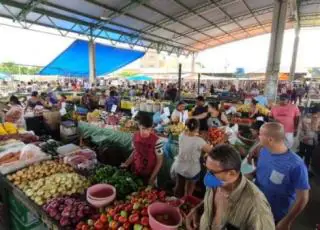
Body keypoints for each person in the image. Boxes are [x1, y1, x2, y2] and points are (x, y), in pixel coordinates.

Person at [188, 144, 275, 230]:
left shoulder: (257, 209)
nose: (207, 175)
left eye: (212, 172)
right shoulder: (216, 183)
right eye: (207, 168)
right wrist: (197, 209)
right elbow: (210, 200)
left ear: (231, 173)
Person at [248, 122, 309, 227]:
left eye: (260, 134)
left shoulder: (296, 165)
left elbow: (303, 198)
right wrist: (249, 175)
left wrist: (286, 221)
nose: (258, 137)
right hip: (258, 206)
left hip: (276, 215)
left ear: (270, 140)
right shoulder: (264, 151)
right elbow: (260, 170)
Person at [120, 114, 163, 185]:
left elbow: (160, 161)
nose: (145, 132)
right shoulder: (135, 136)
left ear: (151, 128)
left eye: (148, 129)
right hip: (136, 172)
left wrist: (152, 178)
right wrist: (126, 163)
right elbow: (135, 151)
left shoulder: (157, 141)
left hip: (150, 174)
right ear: (139, 126)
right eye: (143, 128)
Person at [173, 119, 212, 197]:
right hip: (192, 171)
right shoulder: (200, 141)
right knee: (188, 191)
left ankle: (176, 202)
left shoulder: (181, 135)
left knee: (179, 187)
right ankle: (186, 202)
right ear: (197, 128)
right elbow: (211, 151)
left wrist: (197, 136)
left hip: (179, 167)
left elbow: (189, 136)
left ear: (187, 126)